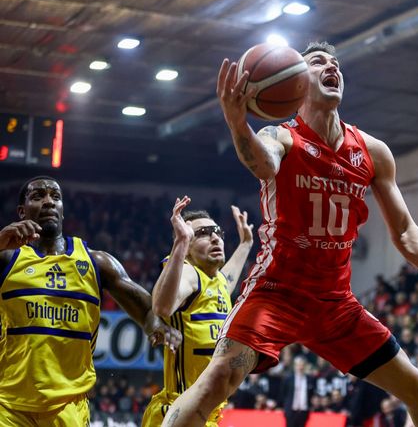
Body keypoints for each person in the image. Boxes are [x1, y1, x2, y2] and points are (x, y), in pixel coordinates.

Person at [162, 42, 418, 427]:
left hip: (336, 305)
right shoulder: (281, 137)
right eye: (318, 63)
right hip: (277, 293)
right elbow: (261, 165)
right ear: (295, 81)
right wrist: (235, 119)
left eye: (336, 63)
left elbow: (405, 229)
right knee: (216, 381)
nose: (332, 67)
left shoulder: (373, 151)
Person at [0, 176, 181, 425]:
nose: (49, 202)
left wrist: (157, 327)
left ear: (63, 210)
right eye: (38, 196)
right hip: (9, 406)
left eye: (56, 196)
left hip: (68, 409)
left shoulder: (97, 262)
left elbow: (147, 310)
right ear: (22, 211)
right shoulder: (7, 258)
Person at [142, 197, 255, 426]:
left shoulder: (218, 282)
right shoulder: (188, 274)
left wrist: (245, 244)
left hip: (207, 414)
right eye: (202, 233)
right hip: (181, 411)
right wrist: (180, 244)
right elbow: (162, 306)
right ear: (188, 249)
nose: (215, 237)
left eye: (217, 231)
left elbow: (230, 275)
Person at [280, 356, 315, 427]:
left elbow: (311, 394)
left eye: (302, 365)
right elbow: (283, 393)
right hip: (291, 411)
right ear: (295, 366)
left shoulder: (310, 379)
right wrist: (283, 407)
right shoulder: (288, 379)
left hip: (304, 411)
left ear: (305, 366)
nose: (300, 367)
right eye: (298, 365)